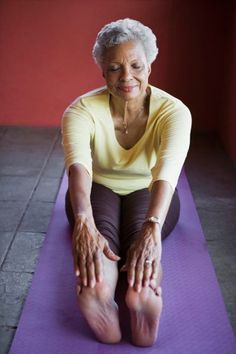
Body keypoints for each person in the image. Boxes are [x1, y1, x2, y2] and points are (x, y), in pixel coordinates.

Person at [61, 18, 191, 347]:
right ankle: (97, 290)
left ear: (150, 64)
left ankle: (142, 293)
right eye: (115, 67)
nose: (126, 76)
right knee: (99, 236)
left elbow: (167, 171)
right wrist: (83, 220)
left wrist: (153, 225)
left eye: (136, 65)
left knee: (142, 239)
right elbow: (78, 168)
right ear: (103, 71)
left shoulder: (174, 112)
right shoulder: (80, 110)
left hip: (149, 190)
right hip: (96, 188)